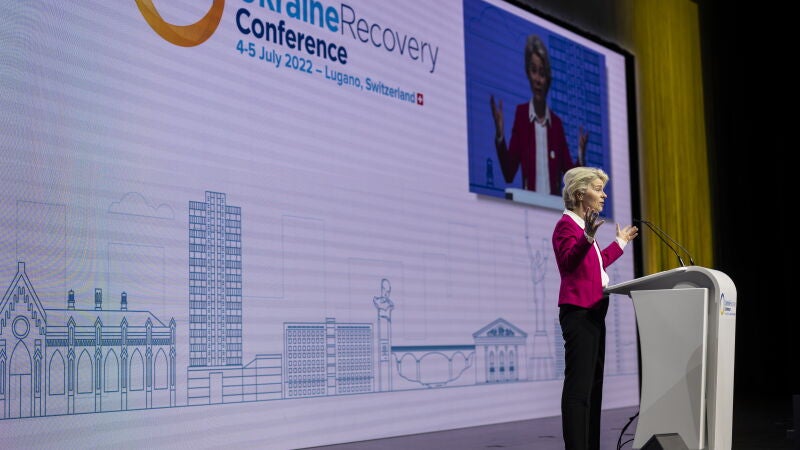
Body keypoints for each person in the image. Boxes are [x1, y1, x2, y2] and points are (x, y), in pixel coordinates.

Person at [552, 166, 638, 450]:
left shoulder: (582, 229)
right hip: (579, 312)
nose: (604, 196)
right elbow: (568, 262)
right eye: (598, 190)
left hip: (595, 311)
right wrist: (587, 237)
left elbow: (597, 263)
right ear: (580, 194)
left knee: (593, 387)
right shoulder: (566, 226)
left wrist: (620, 242)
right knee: (579, 390)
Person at [490, 34, 588, 195]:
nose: (538, 79)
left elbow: (571, 177)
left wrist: (580, 154)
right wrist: (500, 135)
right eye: (534, 71)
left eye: (542, 73)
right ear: (528, 73)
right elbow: (508, 173)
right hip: (528, 206)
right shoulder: (522, 115)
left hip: (554, 207)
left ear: (547, 79)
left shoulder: (556, 124)